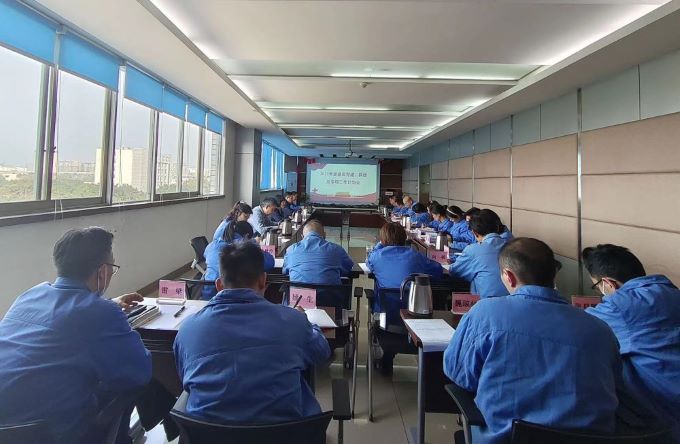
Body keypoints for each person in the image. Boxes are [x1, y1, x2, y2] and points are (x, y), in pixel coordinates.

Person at [444, 238, 623, 443]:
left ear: (508, 276)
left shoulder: (485, 313)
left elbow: (458, 373)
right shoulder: (600, 329)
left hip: (506, 438)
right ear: (554, 274)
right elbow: (615, 384)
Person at [0, 227, 152, 443]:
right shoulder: (100, 312)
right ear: (102, 271)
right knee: (125, 385)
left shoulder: (31, 294)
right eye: (112, 267)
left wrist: (109, 305)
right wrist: (114, 319)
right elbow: (139, 372)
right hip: (48, 434)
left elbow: (62, 320)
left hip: (7, 427)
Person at [174, 242, 331, 424]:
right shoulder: (293, 321)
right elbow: (322, 352)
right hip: (284, 433)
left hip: (208, 435)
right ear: (263, 281)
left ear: (218, 285)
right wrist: (307, 323)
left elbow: (185, 378)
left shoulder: (187, 330)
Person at [583, 244, 680, 439]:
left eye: (598, 286)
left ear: (608, 283)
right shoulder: (672, 292)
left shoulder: (619, 306)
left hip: (661, 411)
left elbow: (577, 327)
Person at [367, 222, 443, 372]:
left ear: (382, 239)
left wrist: (380, 245)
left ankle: (387, 358)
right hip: (417, 316)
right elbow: (438, 271)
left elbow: (369, 263)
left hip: (386, 317)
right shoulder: (416, 256)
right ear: (404, 238)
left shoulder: (377, 257)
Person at [202, 220, 275, 300]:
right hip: (238, 296)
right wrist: (255, 245)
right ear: (247, 236)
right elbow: (269, 262)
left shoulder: (212, 245)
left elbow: (206, 257)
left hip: (208, 293)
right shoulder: (244, 247)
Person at [449, 209, 509, 297]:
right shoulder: (512, 246)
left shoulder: (473, 250)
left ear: (474, 232)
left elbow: (455, 271)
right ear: (497, 227)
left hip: (485, 302)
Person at [282, 220, 354, 285]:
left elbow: (285, 272)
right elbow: (348, 268)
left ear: (302, 237)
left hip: (298, 295)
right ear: (324, 235)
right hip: (330, 295)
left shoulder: (291, 250)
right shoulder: (337, 249)